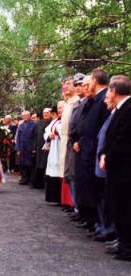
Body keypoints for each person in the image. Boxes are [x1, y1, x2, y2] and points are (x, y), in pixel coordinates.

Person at [74, 68, 110, 232]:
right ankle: (94, 221)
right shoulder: (92, 101)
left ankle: (101, 224)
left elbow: (103, 128)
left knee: (98, 189)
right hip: (85, 149)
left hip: (95, 151)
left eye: (87, 84)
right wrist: (78, 140)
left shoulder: (102, 101)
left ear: (94, 81)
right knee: (89, 187)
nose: (85, 87)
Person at [100, 75, 131, 261]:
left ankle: (126, 247)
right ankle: (122, 242)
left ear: (114, 91)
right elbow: (110, 137)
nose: (108, 95)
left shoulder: (128, 110)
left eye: (109, 91)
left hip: (125, 169)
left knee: (124, 207)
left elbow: (123, 141)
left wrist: (107, 157)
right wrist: (103, 154)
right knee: (118, 206)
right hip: (117, 168)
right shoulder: (121, 109)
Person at [92, 82, 117, 242]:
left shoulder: (121, 113)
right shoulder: (114, 113)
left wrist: (105, 154)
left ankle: (111, 230)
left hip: (113, 163)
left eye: (107, 97)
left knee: (109, 197)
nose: (105, 100)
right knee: (102, 195)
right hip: (103, 159)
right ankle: (106, 227)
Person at [66, 74, 88, 218]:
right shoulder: (76, 104)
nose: (79, 87)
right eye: (77, 85)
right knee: (71, 175)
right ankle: (78, 208)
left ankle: (81, 210)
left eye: (81, 85)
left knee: (78, 176)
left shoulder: (83, 103)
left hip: (81, 145)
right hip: (72, 144)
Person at [59, 76, 80, 208]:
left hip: (72, 141)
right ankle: (75, 205)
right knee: (67, 173)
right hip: (65, 141)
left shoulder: (76, 102)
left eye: (68, 84)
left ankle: (77, 206)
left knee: (73, 173)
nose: (65, 87)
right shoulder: (68, 103)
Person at [45, 102, 64, 204]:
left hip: (61, 148)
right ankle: (52, 197)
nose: (59, 110)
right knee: (52, 172)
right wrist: (49, 136)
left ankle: (60, 199)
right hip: (53, 148)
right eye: (58, 108)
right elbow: (46, 131)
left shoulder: (64, 120)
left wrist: (58, 130)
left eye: (61, 108)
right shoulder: (55, 121)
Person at [31, 108, 51, 189]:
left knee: (47, 165)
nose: (45, 114)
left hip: (48, 147)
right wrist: (34, 147)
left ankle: (46, 183)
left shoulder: (52, 122)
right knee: (38, 165)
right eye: (44, 113)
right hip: (39, 147)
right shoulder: (38, 123)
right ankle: (38, 183)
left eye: (47, 113)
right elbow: (34, 136)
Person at [15, 111, 36, 185]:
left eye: (26, 116)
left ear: (29, 116)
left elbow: (35, 137)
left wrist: (34, 148)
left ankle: (30, 179)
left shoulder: (33, 124)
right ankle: (24, 178)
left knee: (30, 164)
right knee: (22, 164)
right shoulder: (21, 125)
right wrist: (18, 148)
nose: (24, 117)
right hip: (22, 147)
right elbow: (18, 137)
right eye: (23, 116)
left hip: (30, 147)